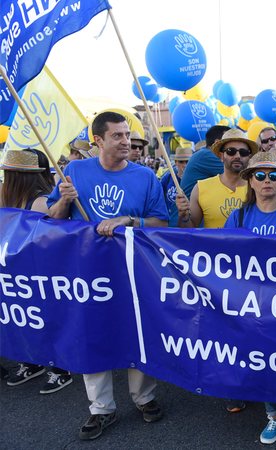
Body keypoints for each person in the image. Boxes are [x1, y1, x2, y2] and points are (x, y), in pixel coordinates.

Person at [47, 111, 168, 440]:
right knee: (91, 333)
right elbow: (52, 218)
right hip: (87, 270)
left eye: (127, 135)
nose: (126, 141)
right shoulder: (74, 171)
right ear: (98, 141)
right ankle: (101, 408)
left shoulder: (145, 177)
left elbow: (161, 223)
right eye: (117, 136)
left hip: (133, 269)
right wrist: (63, 203)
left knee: (137, 330)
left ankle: (144, 397)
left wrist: (129, 220)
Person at [222, 151, 276, 444]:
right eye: (259, 175)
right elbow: (223, 260)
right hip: (253, 305)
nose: (267, 181)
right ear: (249, 180)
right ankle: (273, 415)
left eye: (274, 175)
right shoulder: (238, 216)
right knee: (262, 360)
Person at [0, 149, 75, 394]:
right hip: (16, 273)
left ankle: (60, 368)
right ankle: (31, 360)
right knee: (22, 317)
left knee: (46, 318)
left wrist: (63, 202)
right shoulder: (5, 198)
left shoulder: (40, 200)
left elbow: (54, 228)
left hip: (41, 272)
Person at [176, 129, 254, 229]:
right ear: (221, 156)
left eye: (243, 152)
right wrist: (184, 216)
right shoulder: (201, 188)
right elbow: (190, 230)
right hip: (212, 245)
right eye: (231, 151)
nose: (237, 156)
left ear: (249, 157)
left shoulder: (257, 188)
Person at [180, 125, 230, 197]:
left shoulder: (204, 153)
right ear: (217, 142)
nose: (234, 143)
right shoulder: (206, 155)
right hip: (193, 206)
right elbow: (236, 172)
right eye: (230, 140)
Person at [159, 147, 192, 227]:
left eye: (187, 162)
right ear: (176, 162)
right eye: (181, 162)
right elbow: (159, 197)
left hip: (188, 225)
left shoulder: (195, 180)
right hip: (170, 225)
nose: (184, 165)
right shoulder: (168, 178)